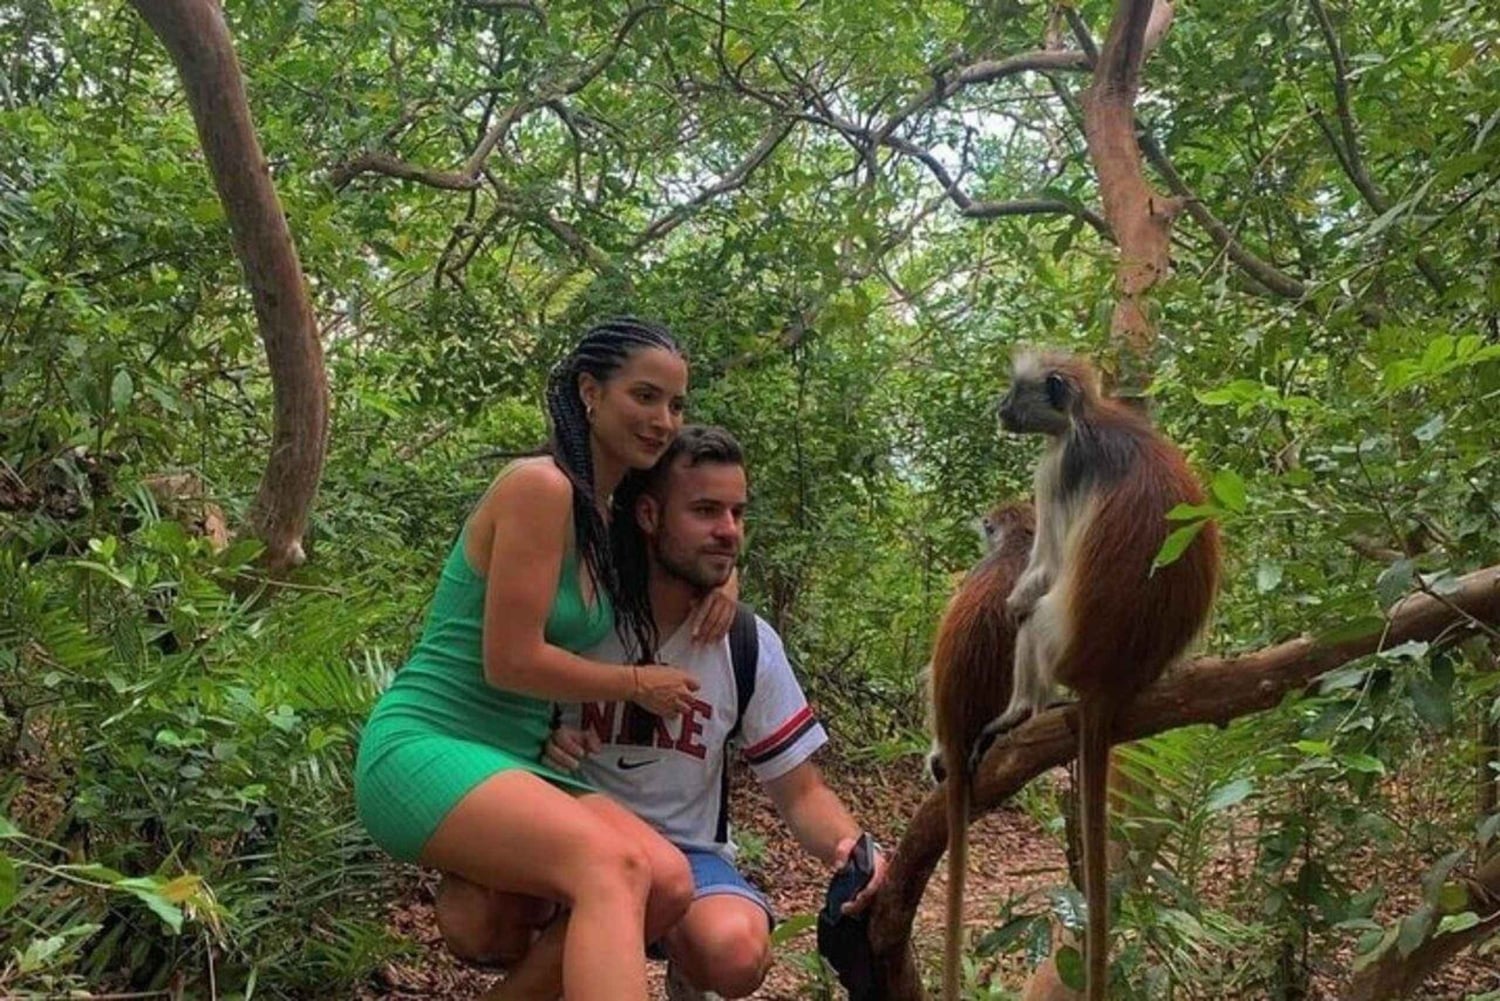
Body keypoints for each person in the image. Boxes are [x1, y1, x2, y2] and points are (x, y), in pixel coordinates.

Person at [435, 425, 890, 999]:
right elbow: (499, 707)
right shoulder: (582, 621)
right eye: (705, 511)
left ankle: (680, 966)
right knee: (476, 918)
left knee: (736, 952)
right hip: (571, 846)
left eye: (737, 513)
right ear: (649, 516)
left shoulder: (745, 643)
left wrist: (850, 846)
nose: (728, 531)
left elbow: (800, 792)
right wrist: (542, 745)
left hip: (687, 855)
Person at [354, 318, 736, 1001]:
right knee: (610, 864)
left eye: (676, 404)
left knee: (668, 880)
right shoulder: (540, 487)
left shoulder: (606, 515)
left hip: (519, 756)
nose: (663, 420)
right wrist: (634, 683)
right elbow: (510, 661)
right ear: (590, 392)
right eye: (644, 396)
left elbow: (697, 539)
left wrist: (728, 580)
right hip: (431, 741)